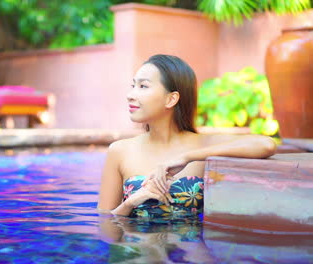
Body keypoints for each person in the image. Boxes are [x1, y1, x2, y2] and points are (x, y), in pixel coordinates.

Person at [97, 54, 276, 218]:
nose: (130, 95)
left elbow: (266, 144)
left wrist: (186, 157)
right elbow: (104, 223)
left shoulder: (203, 145)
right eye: (133, 86)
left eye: (143, 86)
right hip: (139, 250)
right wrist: (131, 202)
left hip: (188, 251)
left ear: (171, 99)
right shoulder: (120, 151)